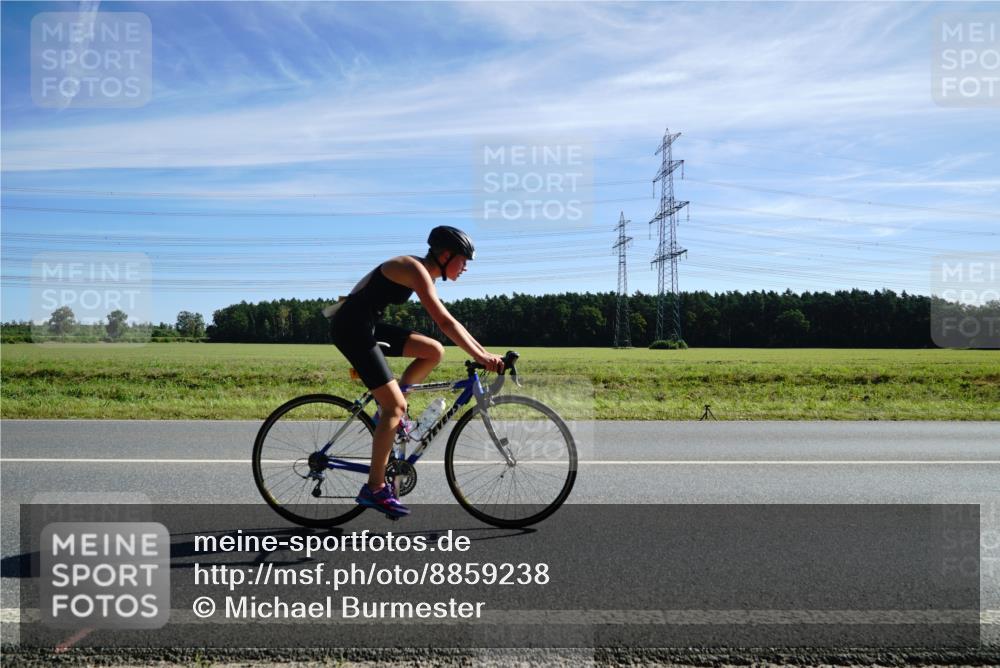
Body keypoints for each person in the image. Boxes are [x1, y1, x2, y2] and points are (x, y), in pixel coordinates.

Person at [329, 226, 504, 518]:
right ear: (446, 255)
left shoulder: (419, 270)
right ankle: (374, 488)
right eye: (464, 260)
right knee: (393, 406)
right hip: (352, 329)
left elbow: (449, 325)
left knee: (433, 351)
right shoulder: (414, 268)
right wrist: (481, 356)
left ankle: (392, 412)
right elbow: (445, 322)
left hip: (366, 325)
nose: (465, 268)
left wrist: (485, 354)